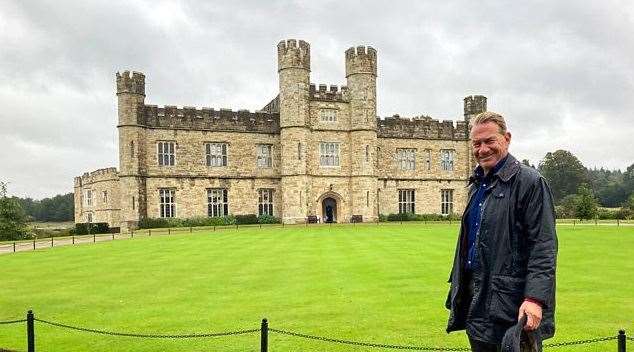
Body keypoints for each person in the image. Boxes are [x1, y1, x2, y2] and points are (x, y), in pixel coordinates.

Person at [445, 111, 557, 352]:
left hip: (513, 305)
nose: (482, 149)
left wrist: (535, 299)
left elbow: (543, 246)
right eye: (476, 143)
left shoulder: (530, 182)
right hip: (478, 300)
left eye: (489, 141)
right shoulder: (477, 185)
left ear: (506, 138)